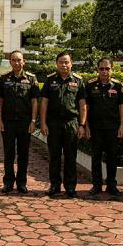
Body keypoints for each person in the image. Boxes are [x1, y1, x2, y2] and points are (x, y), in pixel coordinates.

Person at [40, 51, 87, 198]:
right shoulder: (50, 80)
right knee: (54, 155)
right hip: (53, 123)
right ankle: (55, 185)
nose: (64, 65)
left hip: (71, 123)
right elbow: (44, 103)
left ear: (71, 64)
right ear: (56, 63)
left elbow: (83, 105)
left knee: (70, 156)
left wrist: (82, 125)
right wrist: (42, 123)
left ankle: (70, 186)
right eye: (61, 62)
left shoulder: (78, 81)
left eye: (66, 62)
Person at [0, 51, 40, 194]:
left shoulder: (31, 79)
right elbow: (0, 101)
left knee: (23, 153)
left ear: (24, 62)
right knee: (8, 153)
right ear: (10, 62)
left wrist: (33, 121)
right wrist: (0, 119)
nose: (16, 62)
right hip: (8, 122)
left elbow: (34, 102)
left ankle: (22, 182)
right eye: (13, 60)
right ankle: (8, 182)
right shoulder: (4, 79)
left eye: (19, 60)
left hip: (25, 122)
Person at [84, 58, 123, 196]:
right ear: (97, 70)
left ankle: (111, 185)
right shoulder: (90, 86)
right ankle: (96, 185)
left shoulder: (118, 86)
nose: (104, 71)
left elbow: (122, 107)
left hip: (112, 127)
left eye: (107, 69)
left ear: (112, 70)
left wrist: (122, 125)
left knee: (112, 157)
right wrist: (86, 126)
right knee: (96, 157)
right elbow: (86, 108)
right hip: (96, 128)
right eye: (101, 69)